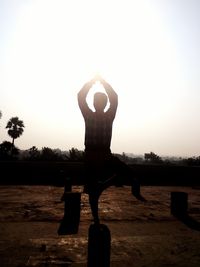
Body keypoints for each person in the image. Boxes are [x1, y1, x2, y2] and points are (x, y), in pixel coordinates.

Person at [78, 75, 145, 223]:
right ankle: (97, 213)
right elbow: (114, 97)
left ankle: (99, 202)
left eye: (99, 101)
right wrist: (103, 82)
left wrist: (92, 82)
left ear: (97, 103)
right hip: (97, 155)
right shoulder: (107, 116)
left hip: (96, 155)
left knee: (96, 188)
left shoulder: (92, 115)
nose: (98, 103)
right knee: (125, 175)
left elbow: (81, 96)